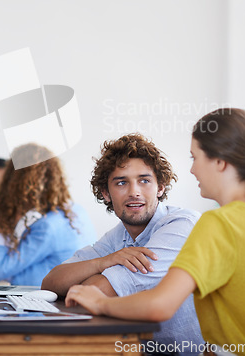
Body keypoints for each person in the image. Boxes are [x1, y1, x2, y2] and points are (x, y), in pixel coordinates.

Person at [65, 108, 245, 353]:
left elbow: (160, 305)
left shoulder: (217, 223)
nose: (192, 169)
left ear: (219, 161)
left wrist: (99, 303)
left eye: (195, 158)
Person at [43, 133, 204, 352]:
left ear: (160, 188)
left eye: (144, 180)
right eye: (121, 182)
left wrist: (90, 278)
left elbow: (95, 290)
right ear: (106, 193)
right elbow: (51, 281)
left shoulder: (181, 225)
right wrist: (103, 263)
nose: (134, 192)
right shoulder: (117, 236)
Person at [0, 143, 96, 286]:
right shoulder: (76, 211)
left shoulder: (46, 226)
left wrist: (0, 227)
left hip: (50, 301)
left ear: (14, 182)